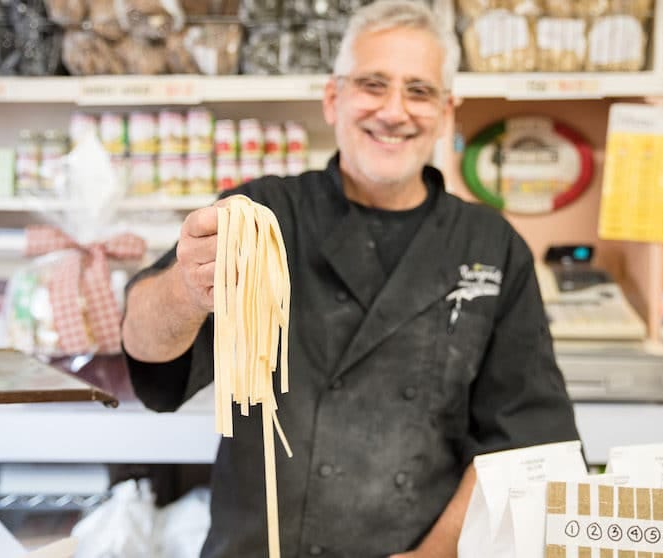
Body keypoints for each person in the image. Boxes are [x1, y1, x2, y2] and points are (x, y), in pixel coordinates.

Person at [122, 1, 580, 556]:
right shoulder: (261, 214)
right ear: (333, 97)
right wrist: (185, 290)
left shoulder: (492, 246)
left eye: (419, 90)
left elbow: (525, 442)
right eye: (372, 84)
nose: (394, 111)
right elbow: (146, 349)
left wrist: (433, 555)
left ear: (446, 110)